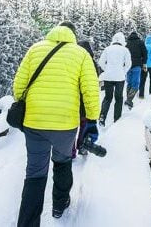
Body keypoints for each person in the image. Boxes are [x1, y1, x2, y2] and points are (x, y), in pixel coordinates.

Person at [13, 21, 100, 226]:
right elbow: (90, 91)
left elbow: (18, 87)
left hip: (34, 122)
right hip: (65, 124)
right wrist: (92, 119)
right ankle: (60, 205)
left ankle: (27, 223)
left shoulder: (35, 49)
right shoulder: (81, 54)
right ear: (73, 35)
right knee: (62, 162)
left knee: (35, 172)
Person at [72, 40, 99, 157]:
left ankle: (70, 151)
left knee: (71, 127)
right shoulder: (92, 63)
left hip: (72, 99)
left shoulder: (72, 61)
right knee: (84, 124)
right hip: (86, 100)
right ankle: (82, 146)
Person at [98, 32, 131, 127]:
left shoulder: (107, 49)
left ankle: (102, 117)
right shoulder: (125, 50)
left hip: (108, 76)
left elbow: (101, 62)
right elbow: (128, 64)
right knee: (119, 98)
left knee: (107, 97)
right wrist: (122, 71)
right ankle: (117, 119)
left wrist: (107, 70)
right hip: (120, 77)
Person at [124, 31, 147, 109]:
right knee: (136, 84)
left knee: (129, 83)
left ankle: (128, 100)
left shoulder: (126, 43)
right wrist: (144, 63)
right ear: (137, 36)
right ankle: (129, 100)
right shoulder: (140, 42)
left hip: (128, 65)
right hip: (137, 65)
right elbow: (145, 53)